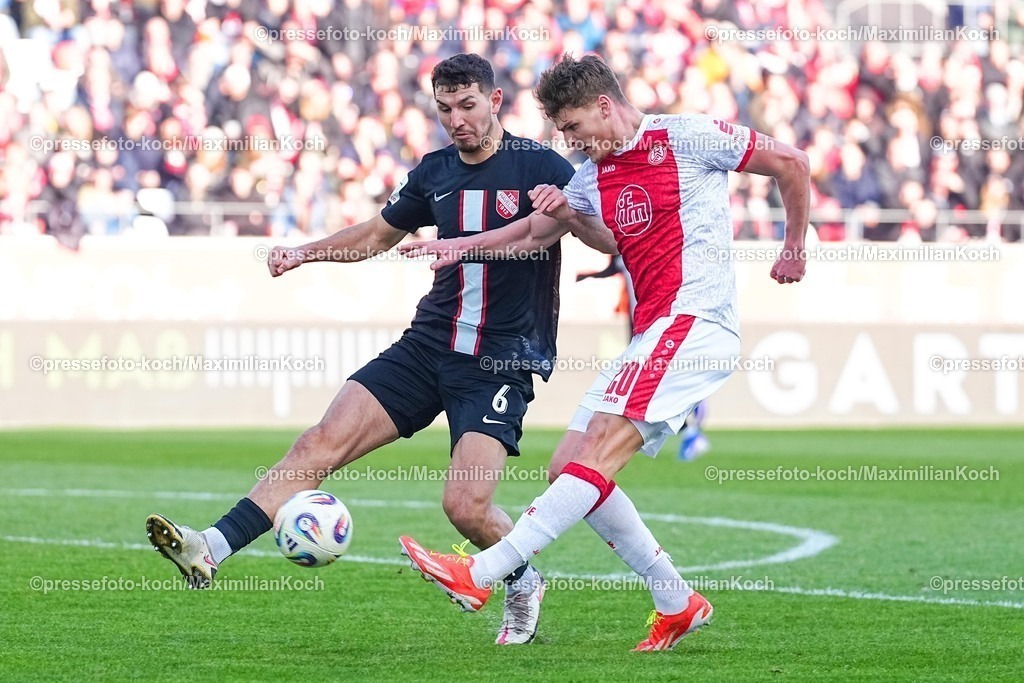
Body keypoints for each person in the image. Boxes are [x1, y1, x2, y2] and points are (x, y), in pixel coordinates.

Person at [144, 53, 615, 646]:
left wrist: (570, 211)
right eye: (445, 109)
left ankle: (521, 578)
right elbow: (373, 235)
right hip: (426, 346)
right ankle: (208, 546)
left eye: (468, 106)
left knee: (466, 506)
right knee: (319, 442)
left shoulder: (540, 164)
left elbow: (606, 239)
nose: (456, 120)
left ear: (495, 102)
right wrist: (305, 252)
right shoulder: (435, 171)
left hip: (500, 359)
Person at [396, 53, 809, 651]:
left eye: (572, 128)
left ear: (604, 106)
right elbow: (541, 232)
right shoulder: (589, 176)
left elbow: (791, 164)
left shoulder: (687, 136)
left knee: (601, 453)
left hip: (696, 321)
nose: (570, 142)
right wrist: (463, 247)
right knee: (568, 465)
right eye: (562, 133)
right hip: (655, 333)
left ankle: (482, 574)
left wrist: (794, 246)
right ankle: (676, 600)